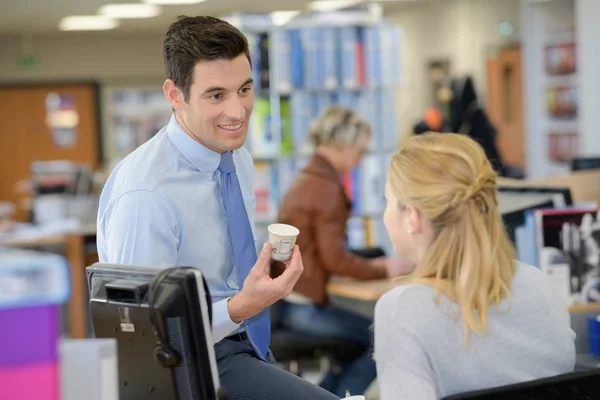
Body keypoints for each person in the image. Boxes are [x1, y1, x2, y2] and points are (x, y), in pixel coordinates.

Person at [97, 15, 339, 400]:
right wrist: (242, 306)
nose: (239, 111)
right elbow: (145, 335)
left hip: (247, 341)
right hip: (189, 363)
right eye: (216, 95)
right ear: (175, 95)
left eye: (244, 89)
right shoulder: (146, 195)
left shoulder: (235, 156)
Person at [374, 132, 576, 399]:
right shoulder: (539, 285)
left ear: (411, 216)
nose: (385, 213)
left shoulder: (402, 310)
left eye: (388, 200)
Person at [272, 106, 414, 397]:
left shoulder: (307, 180)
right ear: (342, 145)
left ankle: (328, 395)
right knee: (384, 338)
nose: (360, 160)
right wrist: (384, 268)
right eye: (359, 151)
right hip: (303, 307)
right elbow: (334, 259)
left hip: (289, 301)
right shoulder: (326, 189)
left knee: (360, 339)